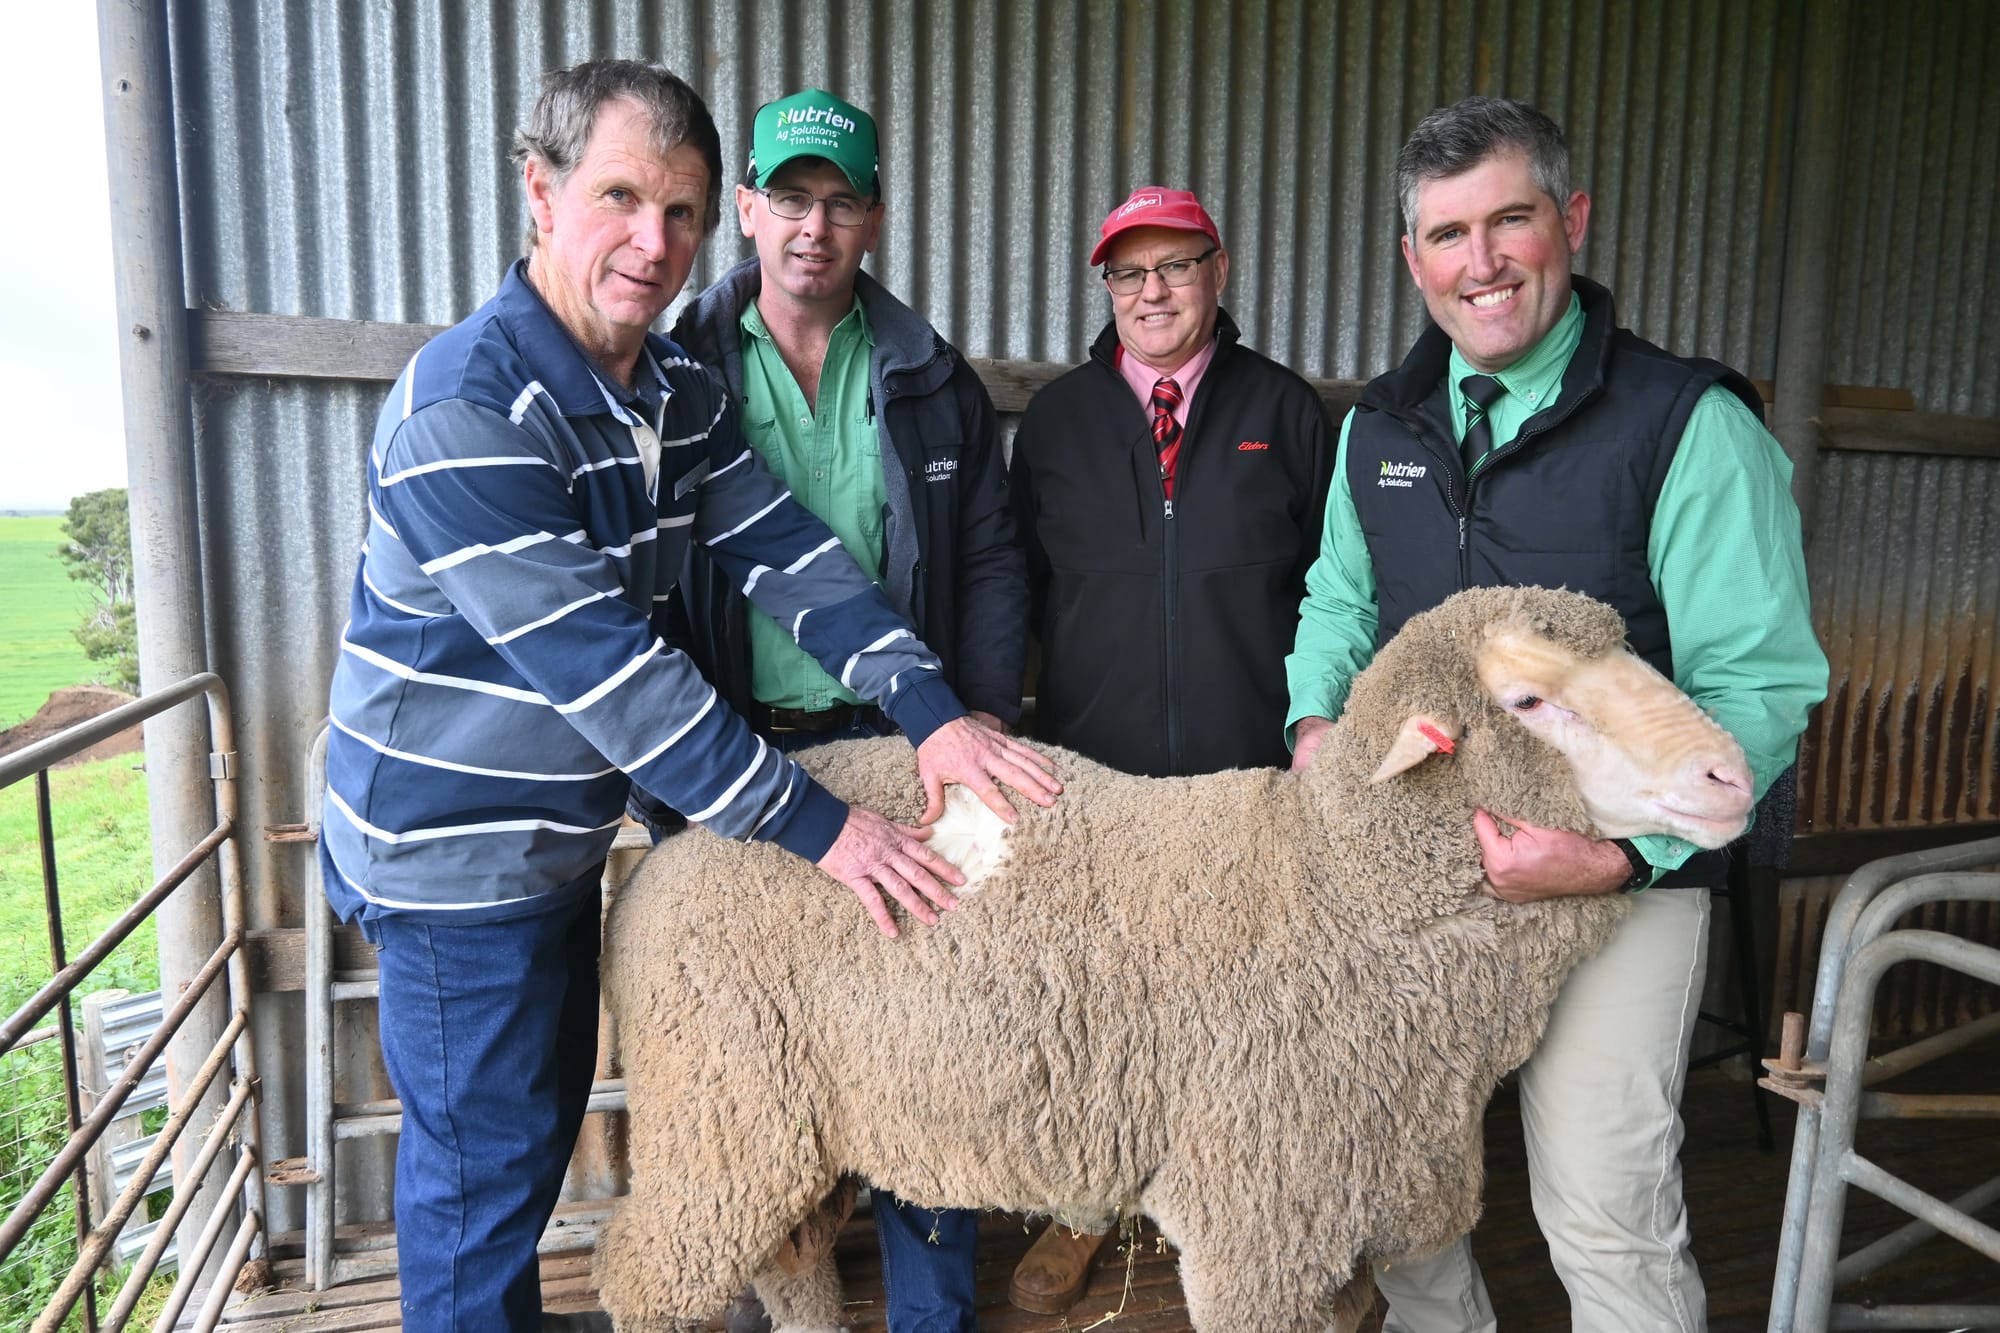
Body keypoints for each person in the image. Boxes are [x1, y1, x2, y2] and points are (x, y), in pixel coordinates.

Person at [318, 60, 1058, 1333]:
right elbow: (618, 679)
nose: (651, 243)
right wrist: (831, 831)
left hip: (553, 837)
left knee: (534, 1135)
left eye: (680, 213)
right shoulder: (471, 404)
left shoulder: (665, 391)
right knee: (483, 1172)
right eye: (618, 198)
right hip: (455, 854)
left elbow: (790, 555)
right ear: (540, 194)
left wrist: (930, 709)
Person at [1285, 95, 1828, 1333]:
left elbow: (1757, 685)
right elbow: (1337, 600)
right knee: (1401, 1193)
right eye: (1444, 234)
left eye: (1509, 219)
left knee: (1603, 1206)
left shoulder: (1688, 424)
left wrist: (1623, 853)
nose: (1479, 263)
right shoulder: (1378, 427)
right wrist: (1316, 733)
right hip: (1425, 866)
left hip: (1614, 882)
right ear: (1409, 255)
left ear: (1569, 220)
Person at [655, 86, 1024, 1333]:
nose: (813, 227)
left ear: (873, 218)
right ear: (744, 208)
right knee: (747, 1062)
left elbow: (983, 562)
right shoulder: (676, 366)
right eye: (789, 199)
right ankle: (783, 1306)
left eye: (841, 200)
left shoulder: (928, 377)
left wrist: (965, 726)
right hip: (734, 760)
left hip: (899, 749)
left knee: (932, 1050)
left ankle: (932, 1312)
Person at [1004, 186, 1334, 1310]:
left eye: (1174, 267)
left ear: (1218, 269)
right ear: (1104, 287)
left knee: (1247, 1006)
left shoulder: (1286, 413)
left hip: (1245, 778)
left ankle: (1235, 1205)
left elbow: (1336, 595)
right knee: (1104, 1001)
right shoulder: (1054, 422)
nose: (1151, 293)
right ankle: (1089, 1199)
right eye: (1127, 273)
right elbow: (1022, 591)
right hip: (1099, 779)